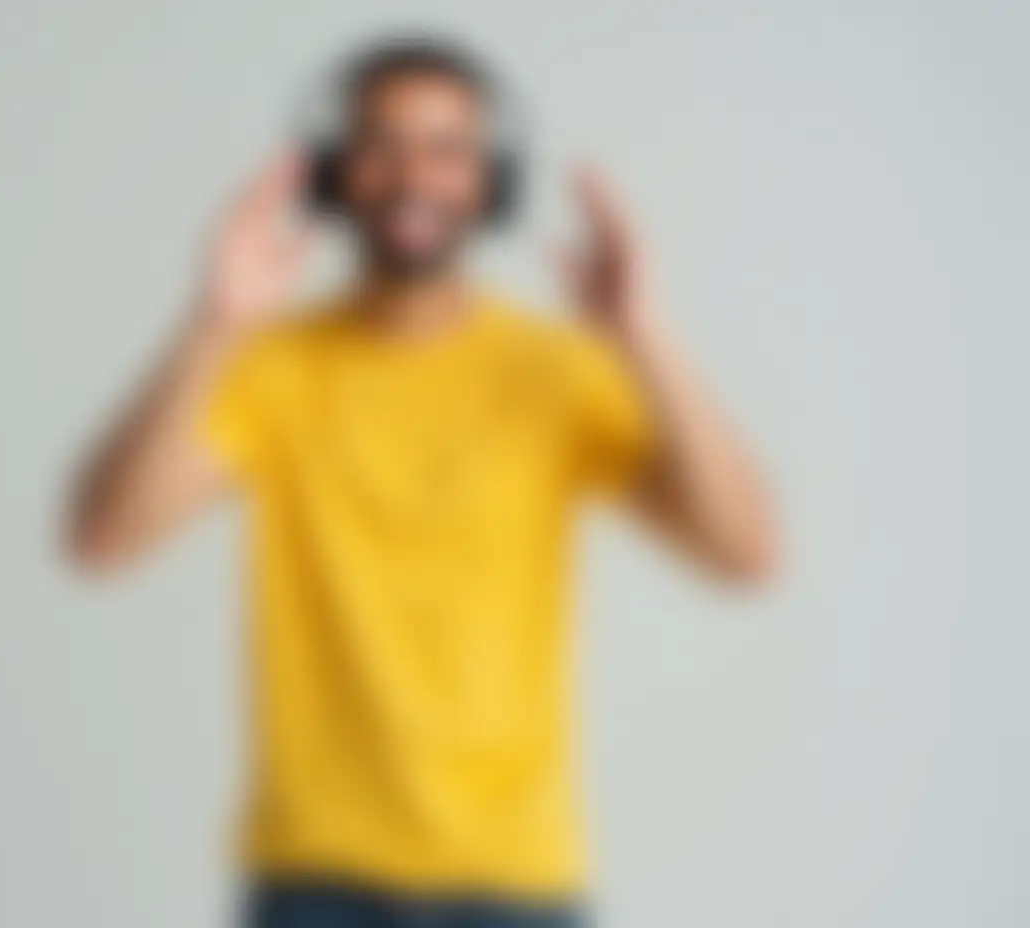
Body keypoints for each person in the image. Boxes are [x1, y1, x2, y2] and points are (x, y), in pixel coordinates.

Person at [65, 36, 777, 928]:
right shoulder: (271, 369)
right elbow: (100, 536)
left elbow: (746, 551)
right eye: (382, 144)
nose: (413, 175)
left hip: (515, 879)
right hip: (313, 877)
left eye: (447, 148)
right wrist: (212, 325)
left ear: (491, 180)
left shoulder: (556, 374)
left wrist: (644, 336)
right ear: (335, 172)